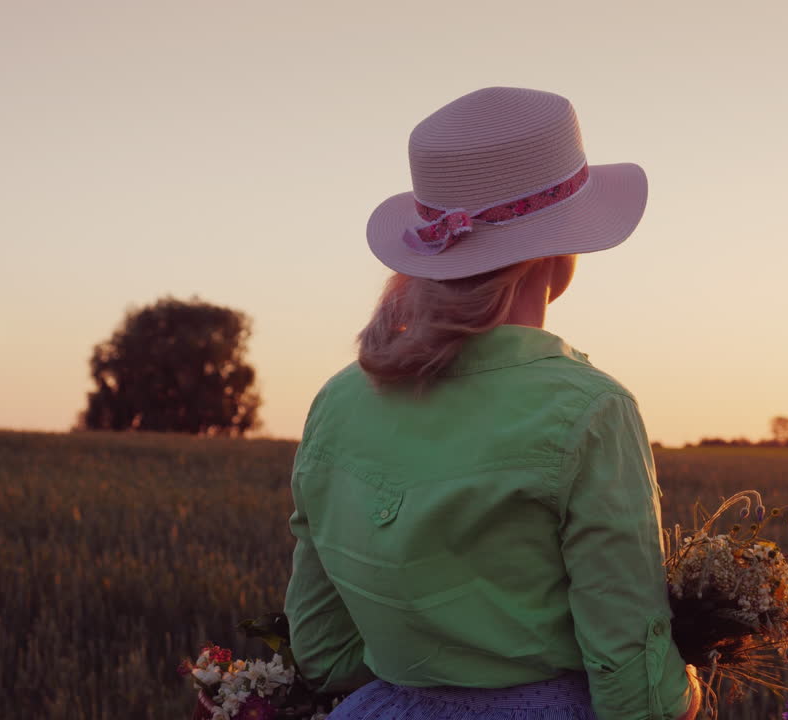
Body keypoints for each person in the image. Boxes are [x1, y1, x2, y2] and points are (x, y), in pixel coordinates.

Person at [283, 87, 701, 720]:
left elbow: (322, 650)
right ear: (560, 254)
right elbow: (635, 692)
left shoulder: (340, 398)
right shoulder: (591, 409)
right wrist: (691, 688)